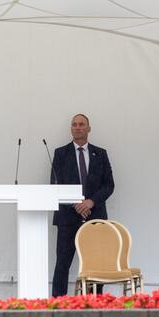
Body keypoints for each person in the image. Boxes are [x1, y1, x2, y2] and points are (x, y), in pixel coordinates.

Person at [51, 114, 115, 297]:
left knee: (96, 264)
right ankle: (58, 305)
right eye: (74, 125)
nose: (77, 127)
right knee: (62, 264)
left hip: (95, 217)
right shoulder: (60, 154)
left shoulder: (100, 154)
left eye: (81, 124)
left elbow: (109, 185)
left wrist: (90, 202)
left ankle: (94, 303)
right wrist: (76, 203)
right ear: (71, 128)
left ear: (88, 129)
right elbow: (56, 184)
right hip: (67, 218)